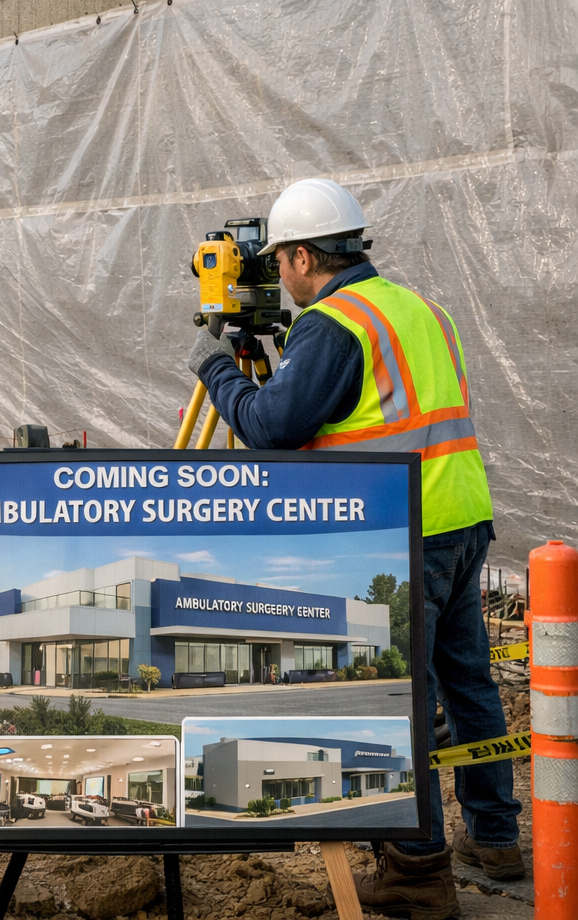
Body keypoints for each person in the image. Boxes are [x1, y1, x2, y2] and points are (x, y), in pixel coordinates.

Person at [187, 178, 521, 915]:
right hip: (463, 517)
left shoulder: (336, 323)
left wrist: (215, 369)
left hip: (404, 535)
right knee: (468, 687)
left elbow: (275, 428)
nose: (276, 277)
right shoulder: (415, 306)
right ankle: (495, 836)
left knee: (402, 699)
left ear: (306, 256)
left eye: (280, 262)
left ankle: (417, 872)